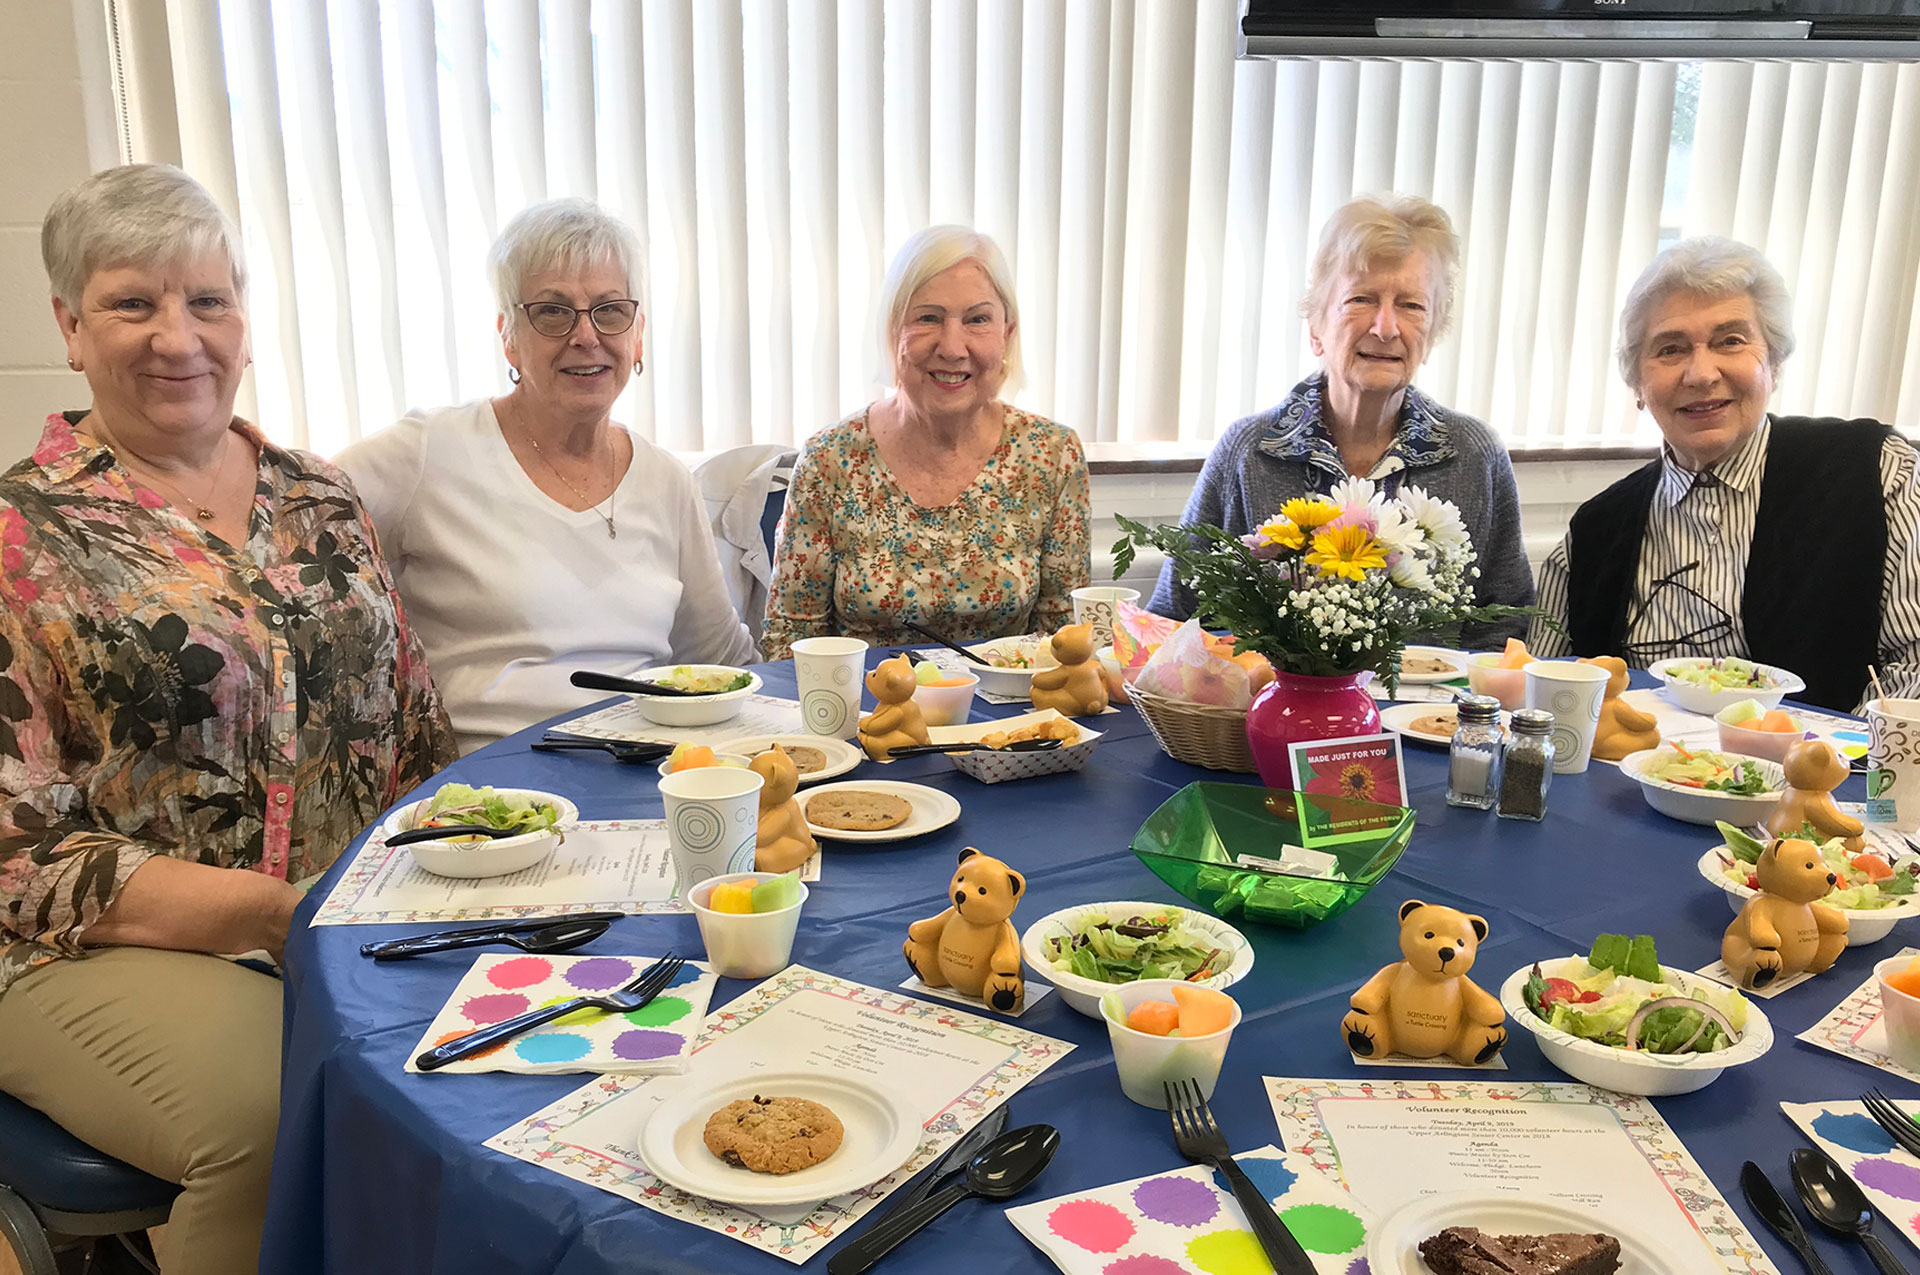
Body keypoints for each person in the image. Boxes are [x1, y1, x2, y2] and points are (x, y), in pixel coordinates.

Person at [0, 164, 455, 1275]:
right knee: (276, 1110)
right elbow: (15, 855)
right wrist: (273, 914)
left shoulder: (321, 496)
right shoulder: (26, 535)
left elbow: (416, 730)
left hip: (338, 918)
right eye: (132, 302)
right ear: (68, 323)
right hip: (85, 948)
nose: (177, 337)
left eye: (207, 300)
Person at [338, 198, 756, 754]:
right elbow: (292, 508)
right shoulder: (427, 453)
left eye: (609, 310)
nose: (586, 335)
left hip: (642, 774)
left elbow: (718, 657)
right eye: (553, 312)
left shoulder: (665, 480)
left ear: (637, 336)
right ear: (509, 335)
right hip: (492, 793)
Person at [1530, 236, 1920, 713]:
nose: (1701, 373)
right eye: (1670, 349)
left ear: (1773, 364)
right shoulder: (1593, 533)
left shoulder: (1877, 473)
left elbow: (1914, 663)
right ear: (1637, 383)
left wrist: (1833, 766)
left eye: (1730, 341)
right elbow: (1544, 698)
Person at [1148, 194, 1533, 649]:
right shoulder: (1248, 451)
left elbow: (1503, 631)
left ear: (1431, 336)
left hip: (1428, 717)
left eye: (1412, 305)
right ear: (1316, 328)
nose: (1386, 327)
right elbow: (1172, 624)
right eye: (1361, 299)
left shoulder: (1474, 455)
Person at [762, 225, 1091, 660]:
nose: (953, 348)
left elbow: (1065, 643)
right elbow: (789, 643)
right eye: (928, 318)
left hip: (1012, 719)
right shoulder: (830, 460)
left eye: (977, 319)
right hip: (866, 715)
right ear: (892, 331)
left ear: (1007, 334)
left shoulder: (1052, 455)